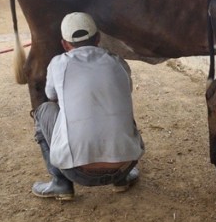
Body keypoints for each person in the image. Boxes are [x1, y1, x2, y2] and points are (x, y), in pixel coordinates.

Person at [31, 12, 144, 201]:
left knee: (43, 110)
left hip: (76, 172)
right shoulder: (118, 62)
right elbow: (127, 90)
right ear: (98, 38)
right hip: (126, 164)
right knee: (115, 102)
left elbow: (51, 97)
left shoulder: (58, 64)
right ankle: (121, 180)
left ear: (65, 44)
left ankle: (61, 184)